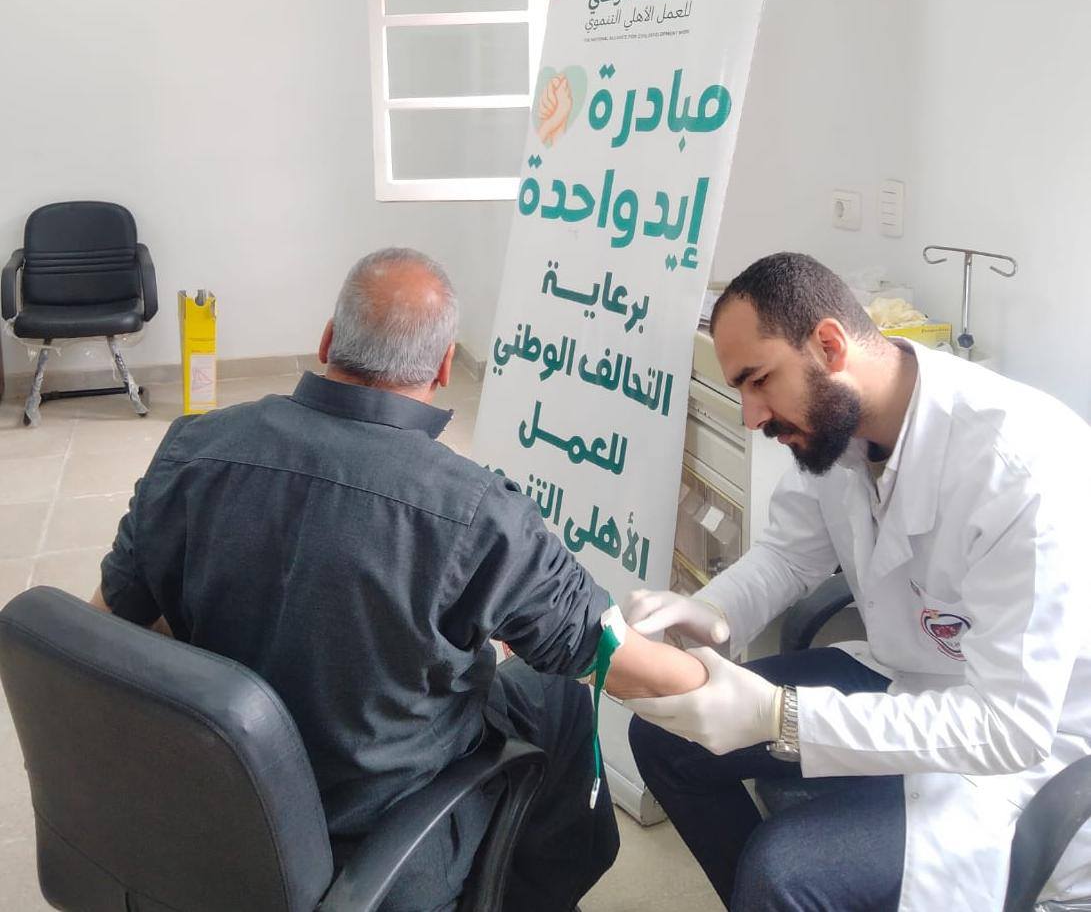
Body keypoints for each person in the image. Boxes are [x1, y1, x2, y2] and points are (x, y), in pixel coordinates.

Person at [91, 247, 706, 912]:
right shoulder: (478, 512)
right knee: (557, 696)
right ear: (444, 367)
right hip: (374, 849)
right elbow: (615, 659)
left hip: (217, 812)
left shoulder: (190, 447)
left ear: (327, 340)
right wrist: (748, 697)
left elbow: (104, 625)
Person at [623, 251, 1091, 912]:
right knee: (664, 738)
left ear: (828, 344)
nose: (750, 415)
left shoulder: (1019, 470)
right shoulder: (838, 431)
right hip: (910, 671)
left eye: (759, 380)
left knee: (783, 869)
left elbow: (1009, 726)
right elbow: (789, 555)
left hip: (1024, 748)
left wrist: (781, 715)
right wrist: (711, 609)